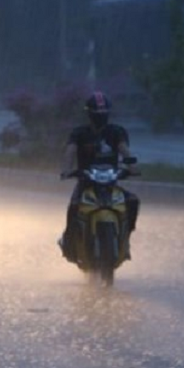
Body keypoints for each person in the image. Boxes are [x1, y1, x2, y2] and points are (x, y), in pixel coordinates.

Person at [59, 91, 140, 262]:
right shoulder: (79, 133)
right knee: (74, 207)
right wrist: (67, 170)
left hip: (111, 183)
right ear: (89, 114)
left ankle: (125, 239)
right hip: (86, 183)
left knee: (132, 201)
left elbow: (125, 149)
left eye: (103, 114)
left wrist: (132, 167)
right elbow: (70, 151)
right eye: (96, 114)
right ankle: (69, 242)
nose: (100, 117)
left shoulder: (116, 132)